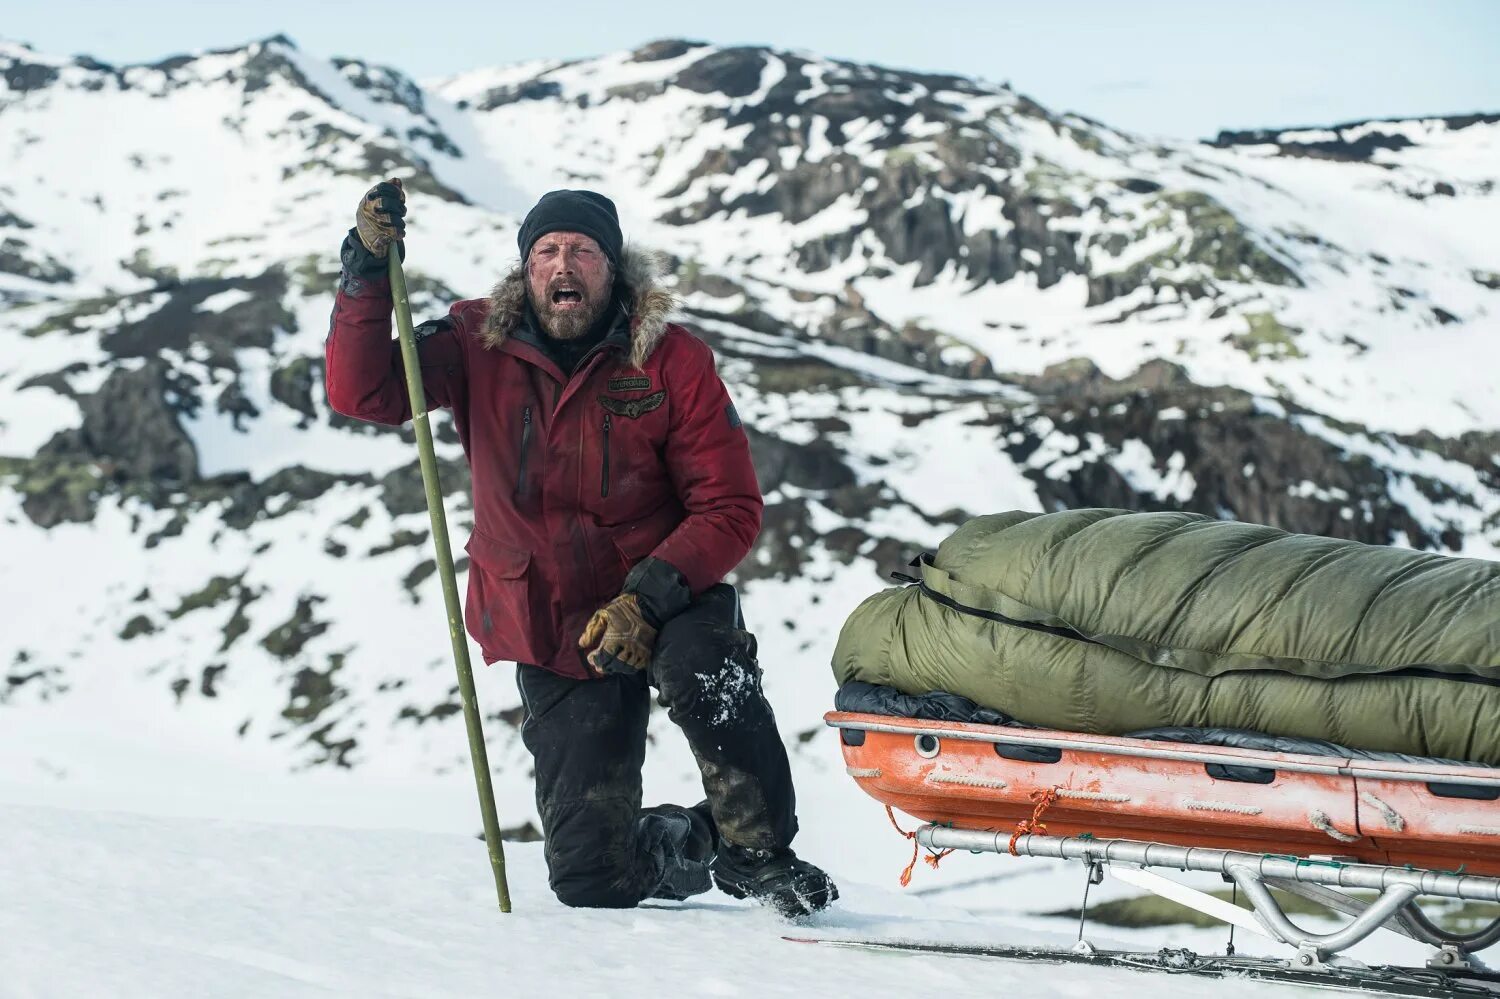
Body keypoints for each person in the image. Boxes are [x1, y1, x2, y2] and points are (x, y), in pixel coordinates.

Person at [325, 179, 837, 917]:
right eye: (547, 252)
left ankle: (761, 855)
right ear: (525, 269)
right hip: (551, 619)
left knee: (706, 667)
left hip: (668, 592)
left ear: (613, 266)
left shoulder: (671, 358)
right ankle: (697, 840)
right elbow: (362, 391)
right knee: (590, 879)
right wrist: (367, 270)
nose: (564, 267)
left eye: (583, 251)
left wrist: (647, 596)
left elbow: (729, 506)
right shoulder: (476, 342)